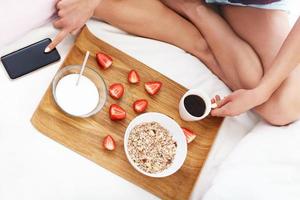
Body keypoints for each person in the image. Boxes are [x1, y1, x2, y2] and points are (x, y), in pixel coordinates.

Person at [46, 0, 300, 126]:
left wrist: (261, 91)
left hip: (246, 4)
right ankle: (199, 41)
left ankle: (197, 12)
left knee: (282, 107)